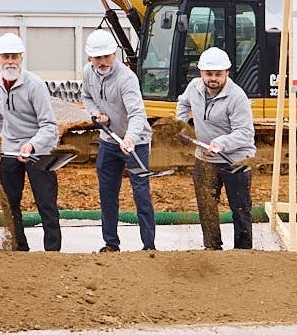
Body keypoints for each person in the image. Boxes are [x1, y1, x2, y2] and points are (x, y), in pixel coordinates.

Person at [0, 32, 61, 251]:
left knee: (46, 203)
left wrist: (32, 145)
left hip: (38, 152)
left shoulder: (35, 85)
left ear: (21, 58)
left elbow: (49, 125)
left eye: (14, 56)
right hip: (10, 151)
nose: (10, 61)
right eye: (6, 56)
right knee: (10, 202)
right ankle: (18, 247)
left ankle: (53, 253)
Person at [81, 28, 155, 251]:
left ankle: (149, 247)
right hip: (109, 141)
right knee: (107, 193)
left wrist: (130, 139)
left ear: (114, 54)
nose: (103, 62)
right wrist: (96, 114)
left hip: (136, 142)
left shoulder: (127, 78)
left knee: (141, 193)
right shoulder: (87, 72)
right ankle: (111, 243)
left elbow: (137, 114)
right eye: (97, 58)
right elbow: (86, 96)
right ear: (90, 57)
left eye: (106, 56)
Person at [175, 46, 256, 250]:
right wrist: (181, 123)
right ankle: (212, 248)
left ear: (227, 73)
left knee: (240, 208)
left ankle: (243, 251)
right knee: (207, 206)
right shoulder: (194, 87)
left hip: (236, 159)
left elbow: (245, 132)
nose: (213, 78)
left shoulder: (237, 97)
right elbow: (183, 103)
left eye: (218, 74)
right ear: (201, 73)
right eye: (209, 74)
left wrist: (221, 144)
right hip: (205, 158)